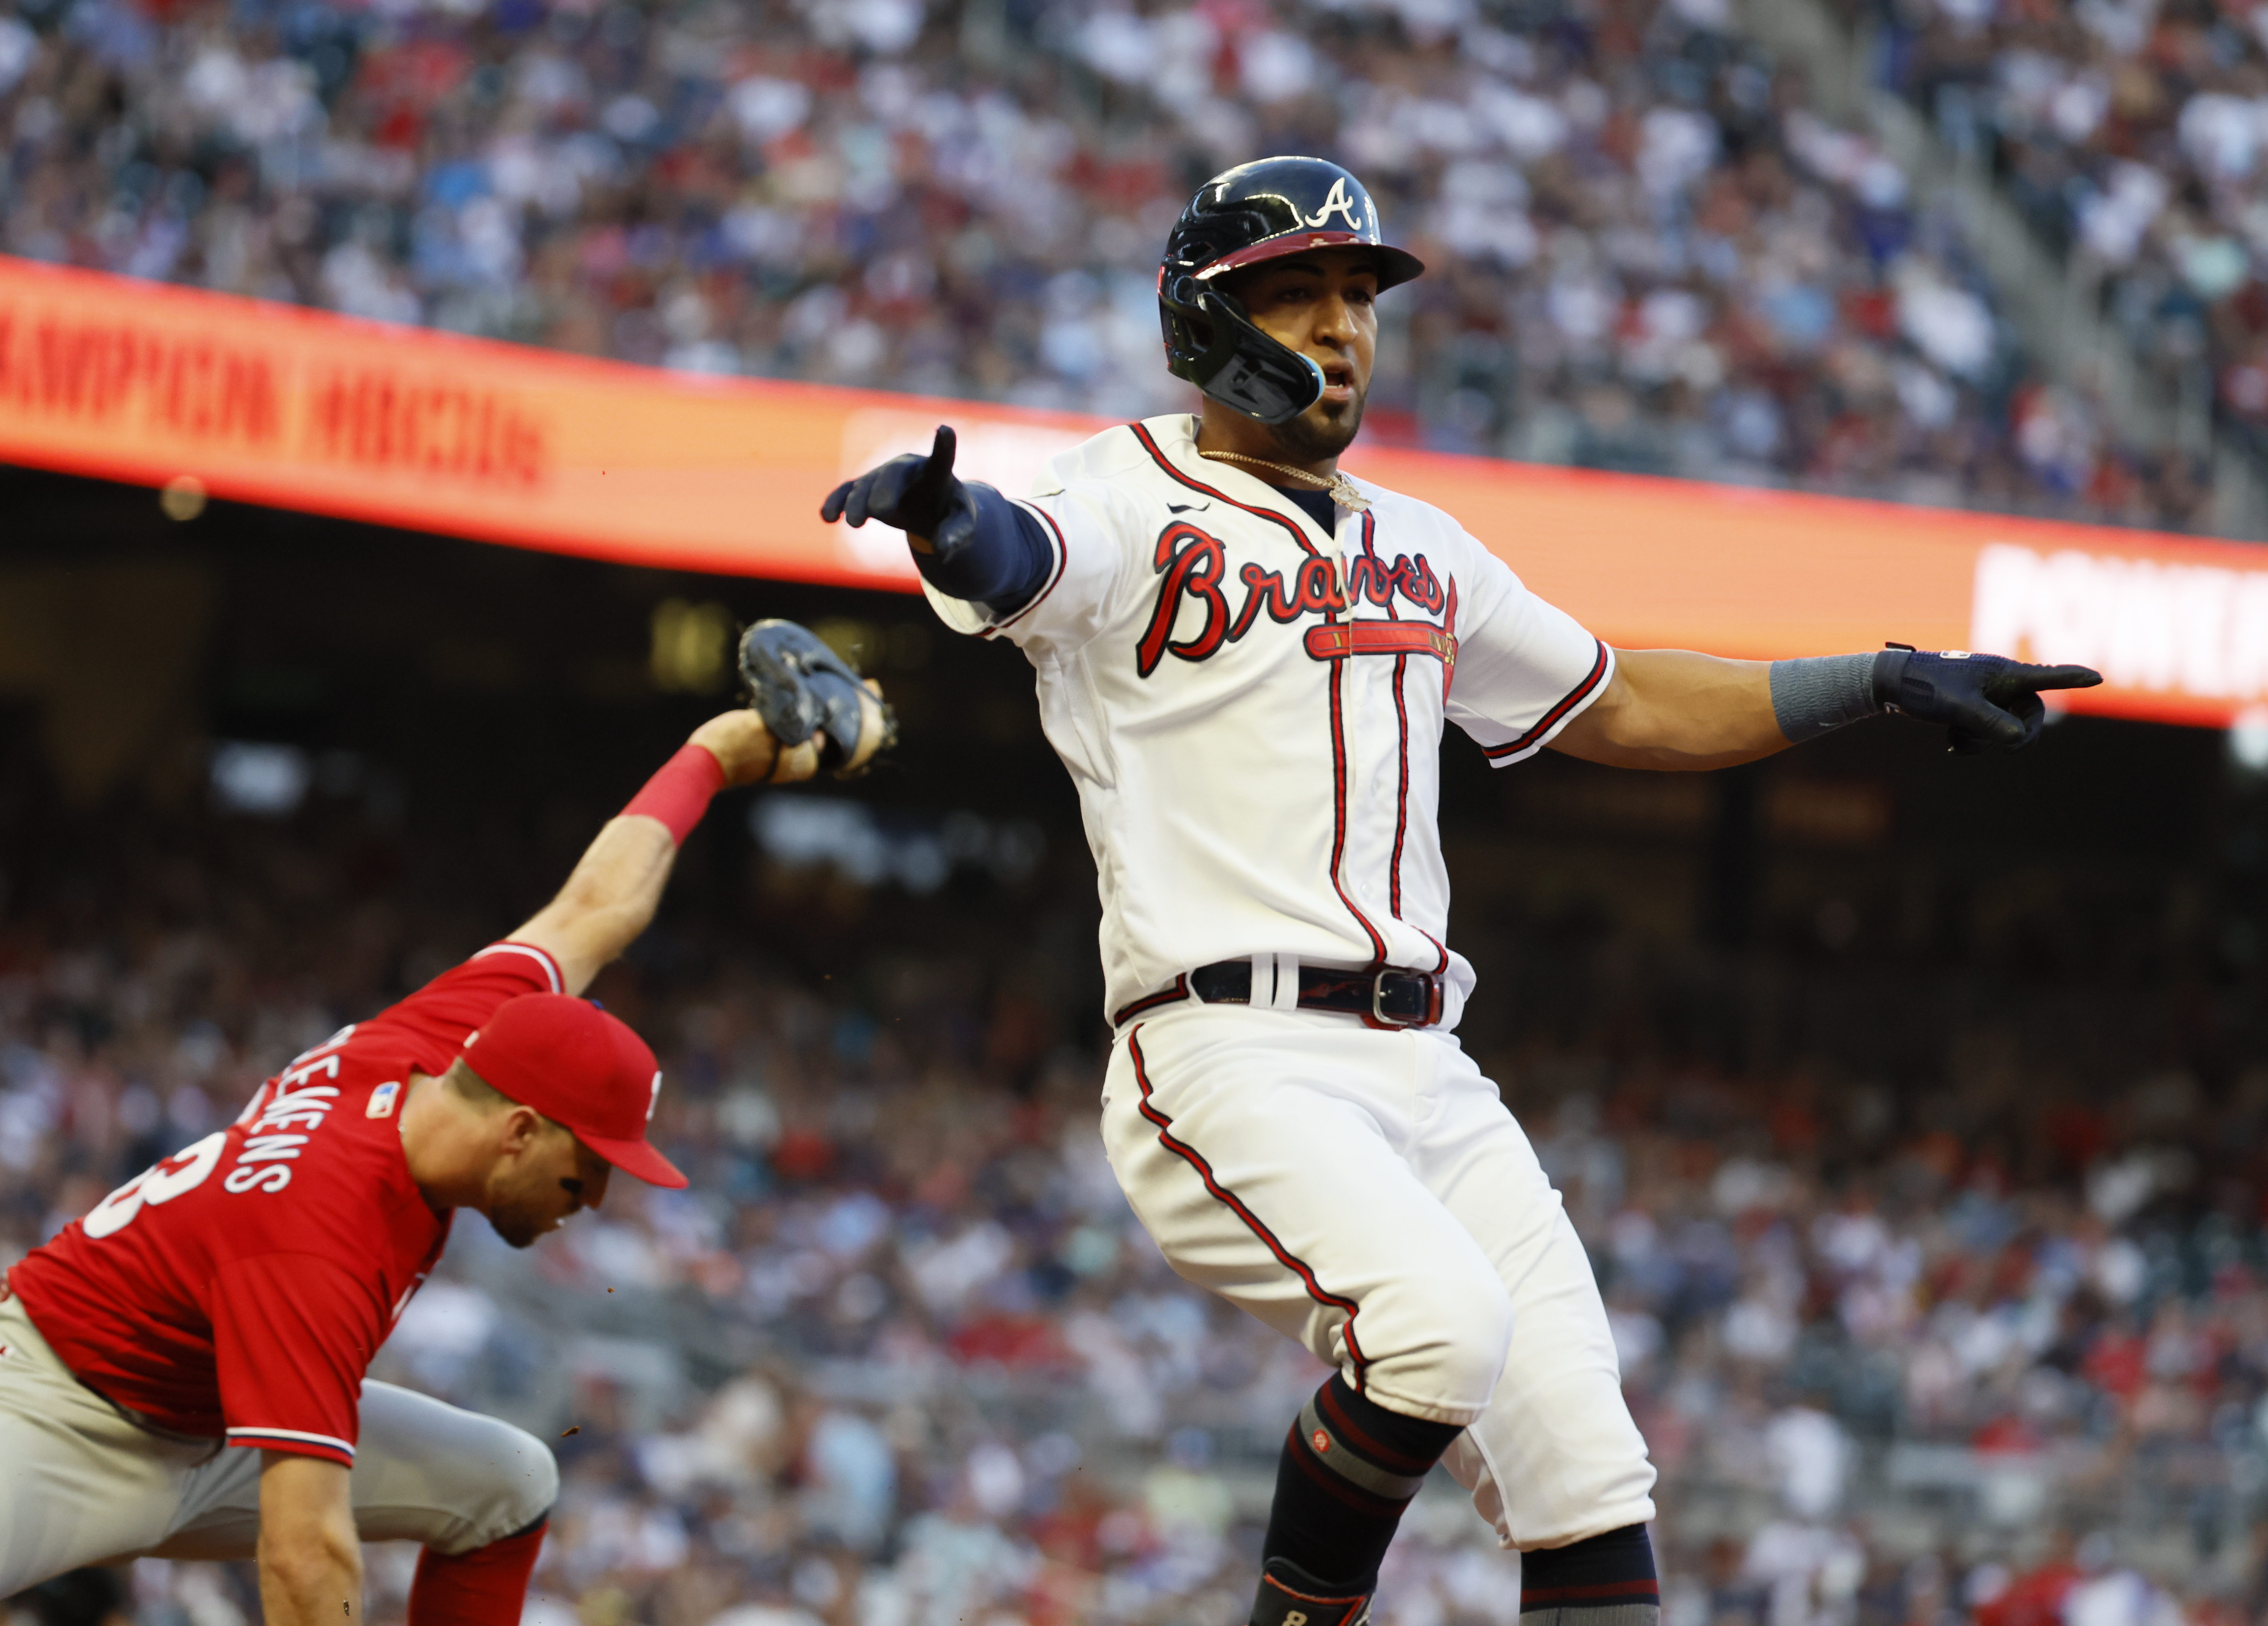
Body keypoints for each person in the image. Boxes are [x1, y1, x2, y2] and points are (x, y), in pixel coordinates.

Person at [822, 156, 2101, 1626]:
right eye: (1295, 292)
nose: (1342, 324)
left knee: (1588, 1482)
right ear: (1202, 323)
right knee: (1436, 1331)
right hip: (1230, 1048)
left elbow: (1616, 699)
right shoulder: (1118, 490)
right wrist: (943, 521)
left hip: (1427, 1065)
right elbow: (1021, 558)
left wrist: (1872, 676)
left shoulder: (1419, 545)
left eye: (1357, 294)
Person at [0, 704, 825, 1626]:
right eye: (588, 1169)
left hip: (213, 1419)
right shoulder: (322, 1231)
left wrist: (712, 756)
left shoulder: (444, 1042)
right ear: (519, 1130)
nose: (597, 1197)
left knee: (509, 1486)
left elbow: (595, 908)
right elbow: (305, 1560)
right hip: (50, 1411)